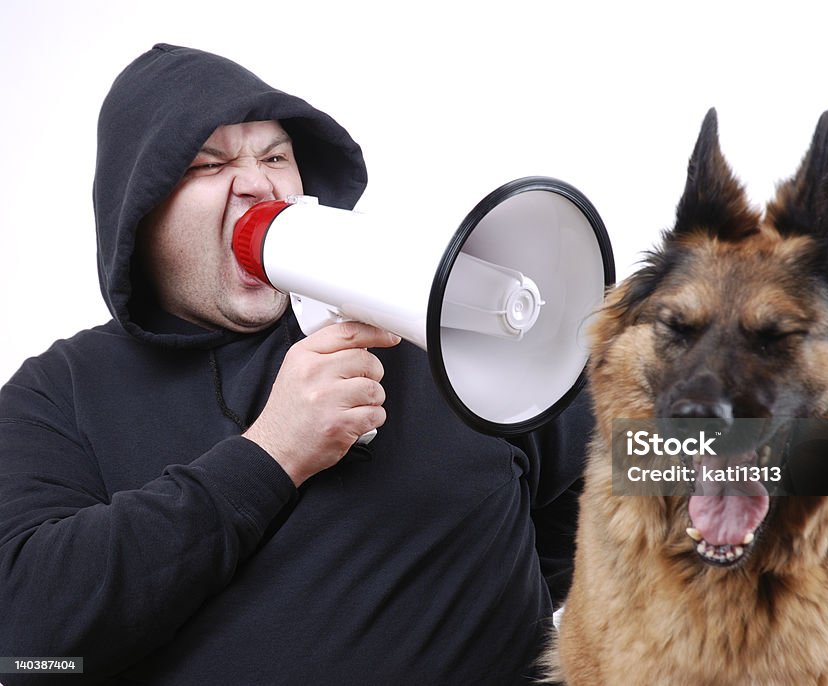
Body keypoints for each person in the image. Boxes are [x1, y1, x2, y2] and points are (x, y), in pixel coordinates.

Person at [0, 44, 590, 685]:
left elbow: (638, 467)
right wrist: (271, 454)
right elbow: (26, 644)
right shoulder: (61, 393)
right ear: (137, 216)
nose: (258, 183)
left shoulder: (431, 318)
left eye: (277, 156)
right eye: (207, 163)